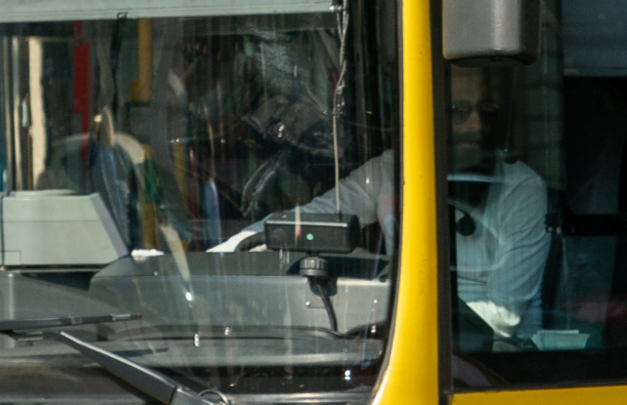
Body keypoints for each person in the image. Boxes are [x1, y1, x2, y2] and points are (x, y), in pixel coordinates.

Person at [214, 65, 549, 339]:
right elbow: (305, 219)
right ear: (430, 114)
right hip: (405, 338)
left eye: (485, 112)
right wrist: (215, 259)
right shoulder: (390, 170)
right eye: (460, 112)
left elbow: (503, 318)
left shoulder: (521, 189)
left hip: (488, 360)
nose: (476, 126)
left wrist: (375, 298)